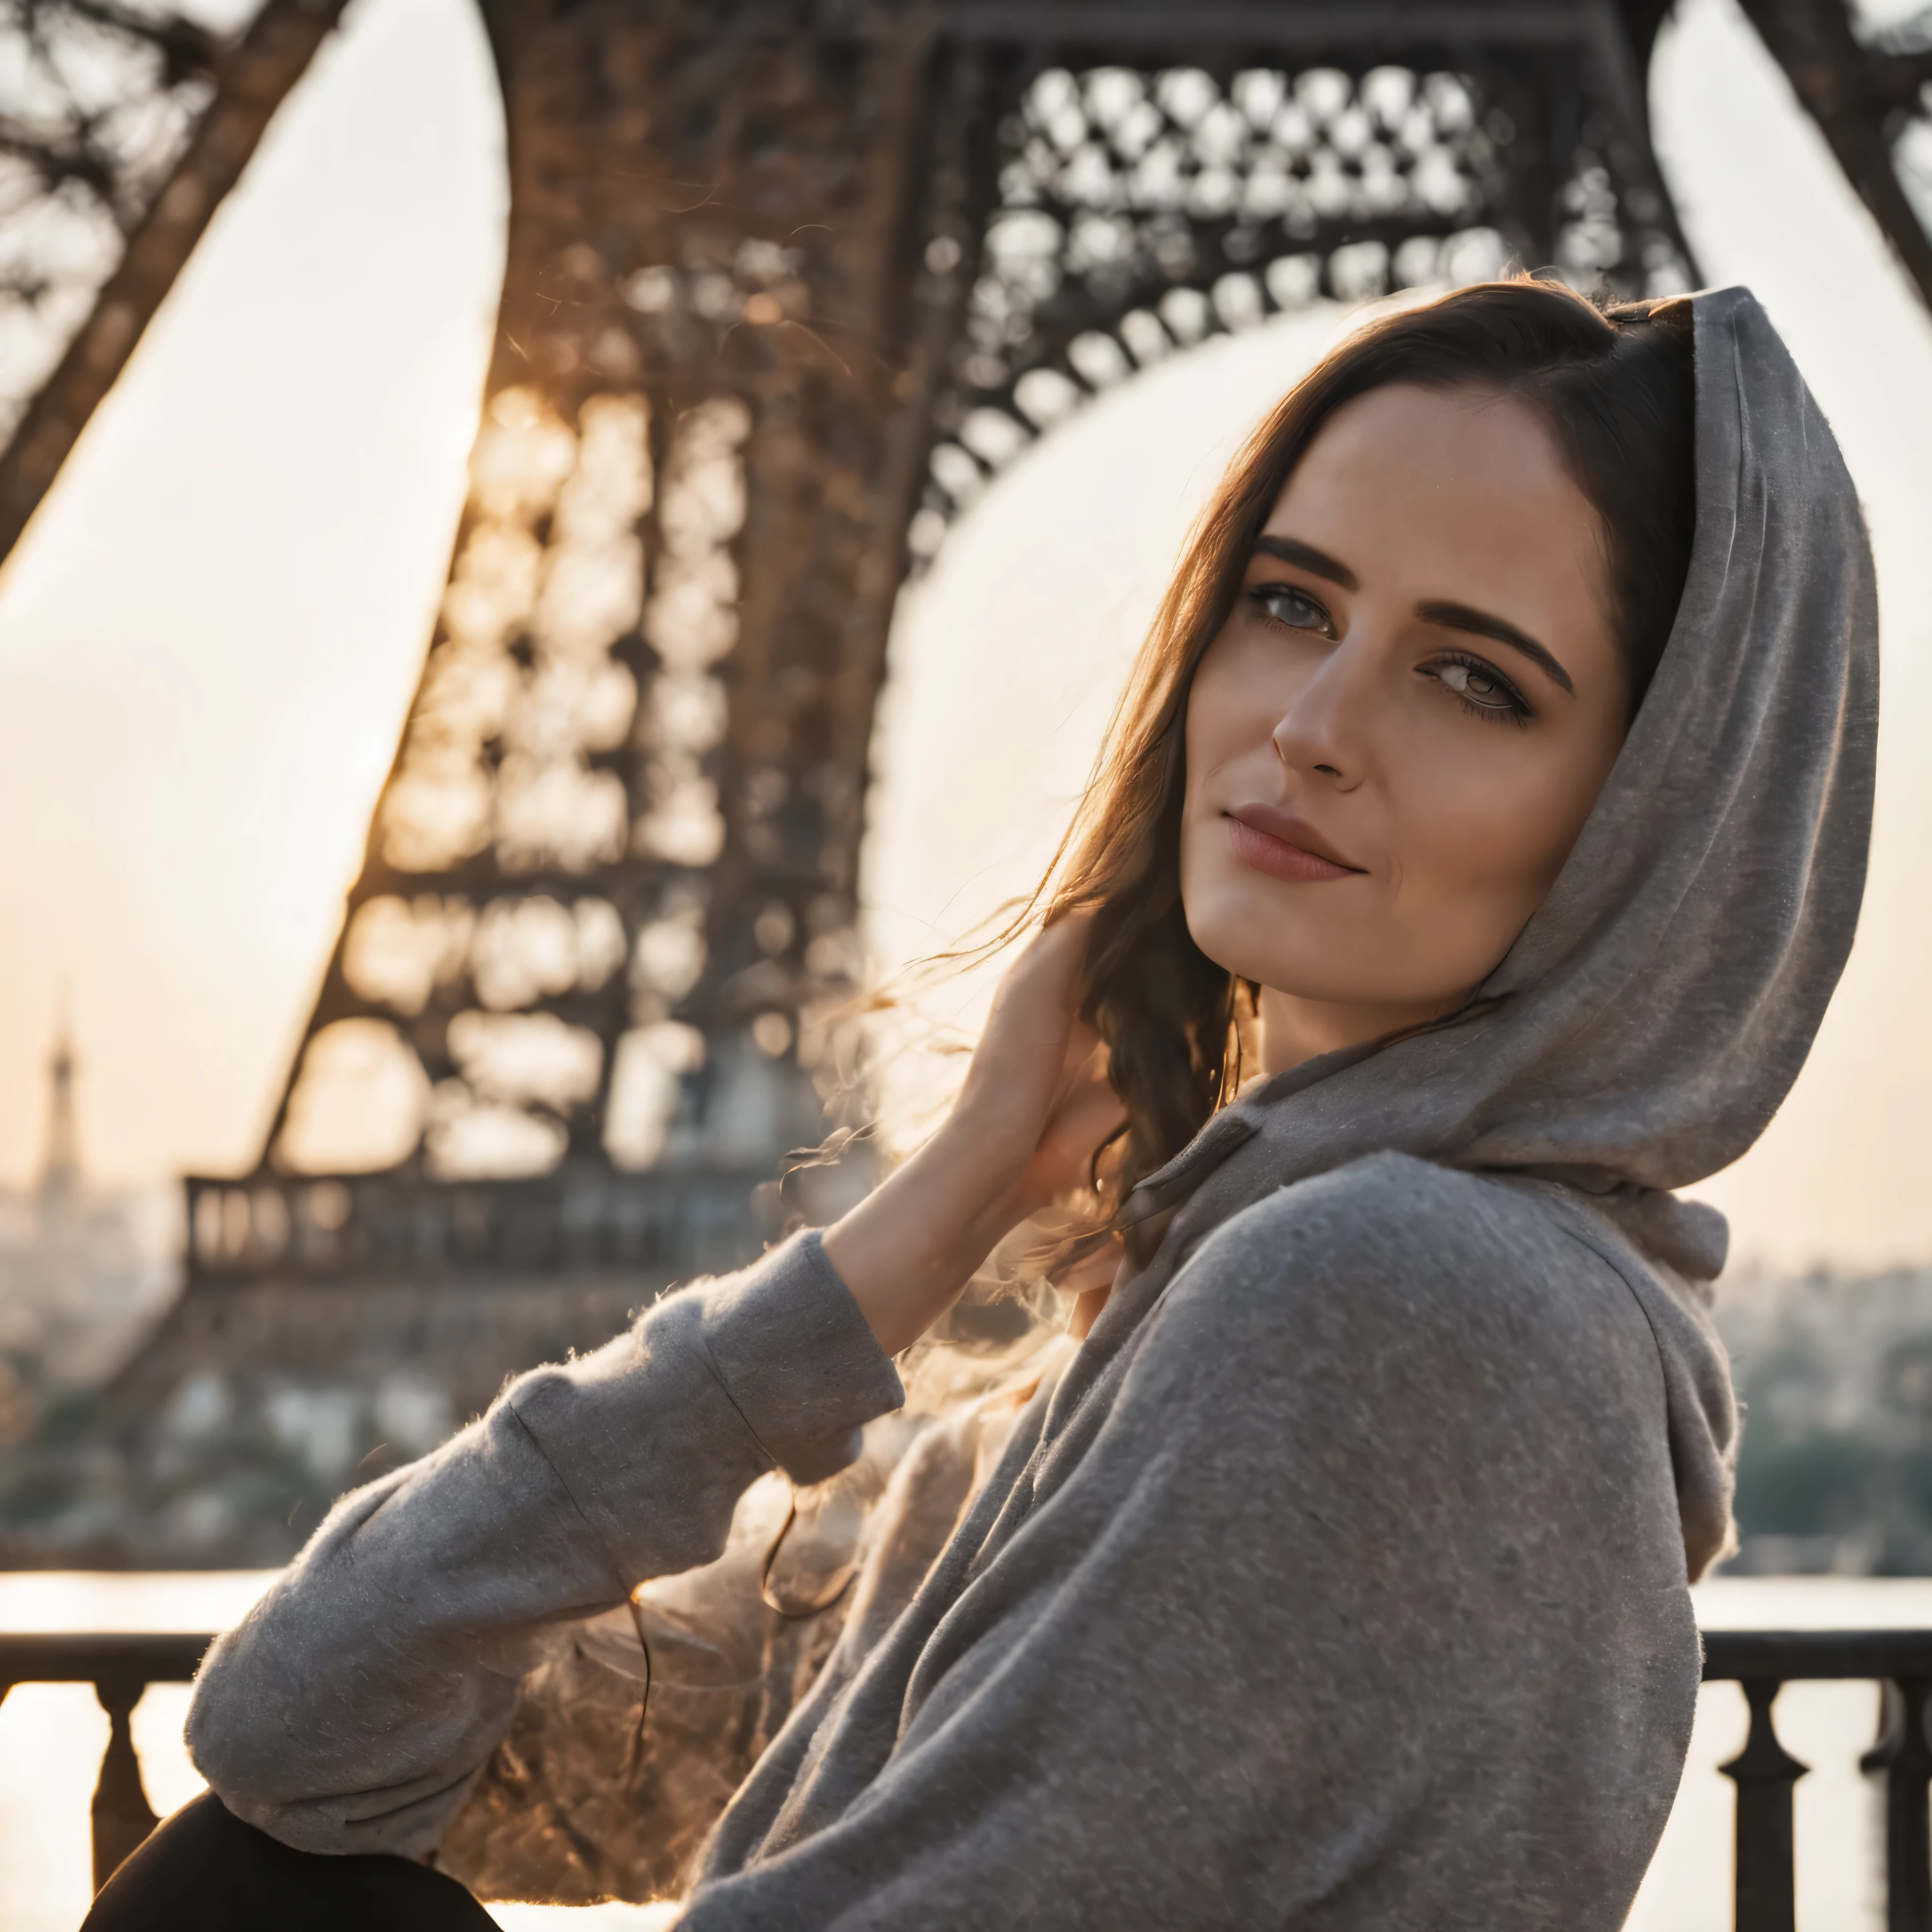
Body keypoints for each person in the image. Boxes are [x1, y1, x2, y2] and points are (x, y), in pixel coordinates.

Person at [88, 277, 1876, 1931]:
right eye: (1289, 603)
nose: (1314, 721)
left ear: (1656, 825)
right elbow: (300, 1740)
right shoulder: (1084, 1398)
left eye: (1474, 677)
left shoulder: (1399, 1296)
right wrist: (917, 1226)